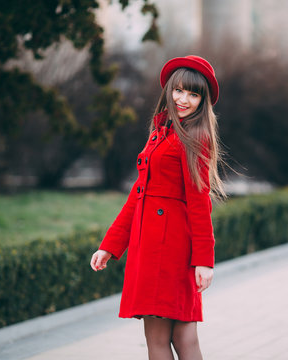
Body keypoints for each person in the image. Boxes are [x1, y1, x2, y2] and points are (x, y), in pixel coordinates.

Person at [90, 55, 225, 360]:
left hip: (170, 249)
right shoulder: (160, 132)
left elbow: (200, 200)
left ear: (202, 102)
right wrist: (110, 246)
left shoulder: (194, 137)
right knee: (168, 336)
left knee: (176, 337)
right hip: (149, 246)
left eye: (193, 94)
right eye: (179, 90)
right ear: (168, 90)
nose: (184, 99)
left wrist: (204, 260)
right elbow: (138, 196)